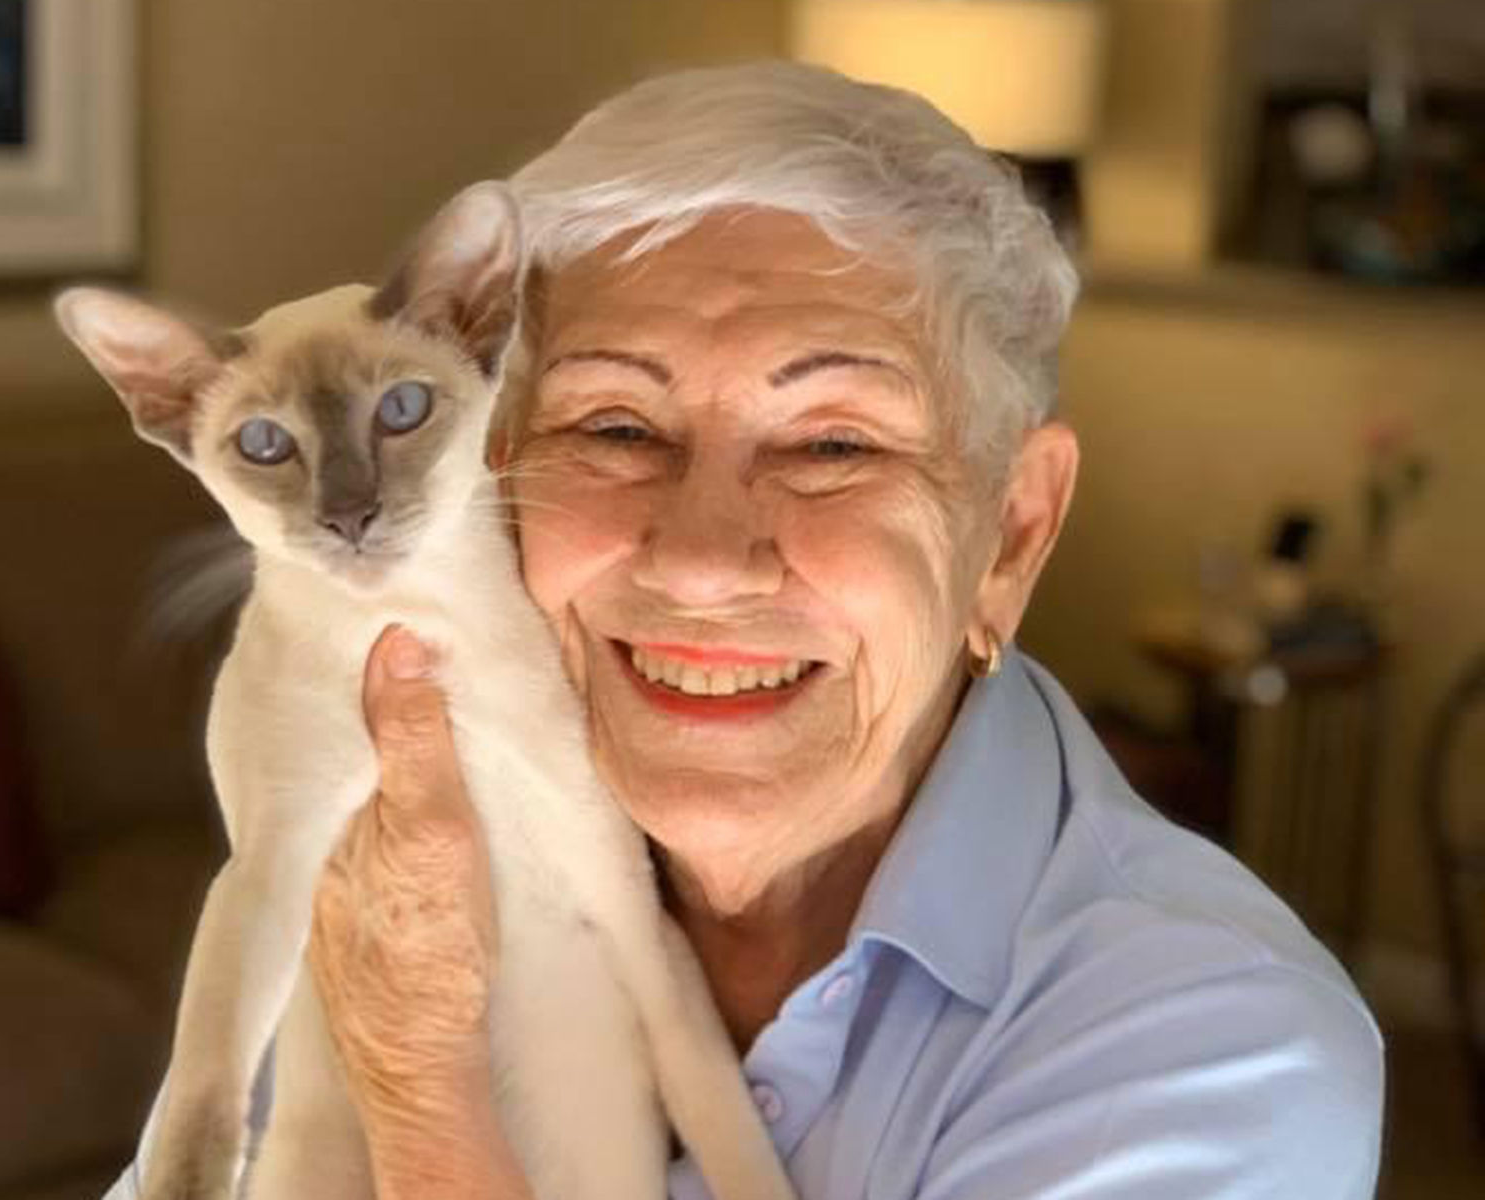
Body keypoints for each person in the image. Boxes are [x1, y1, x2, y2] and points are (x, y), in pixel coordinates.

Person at [110, 62, 1384, 1199]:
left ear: (1008, 537)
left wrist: (418, 1083)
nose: (704, 563)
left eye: (833, 444)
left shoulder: (1208, 1059)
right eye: (616, 428)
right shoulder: (401, 854)